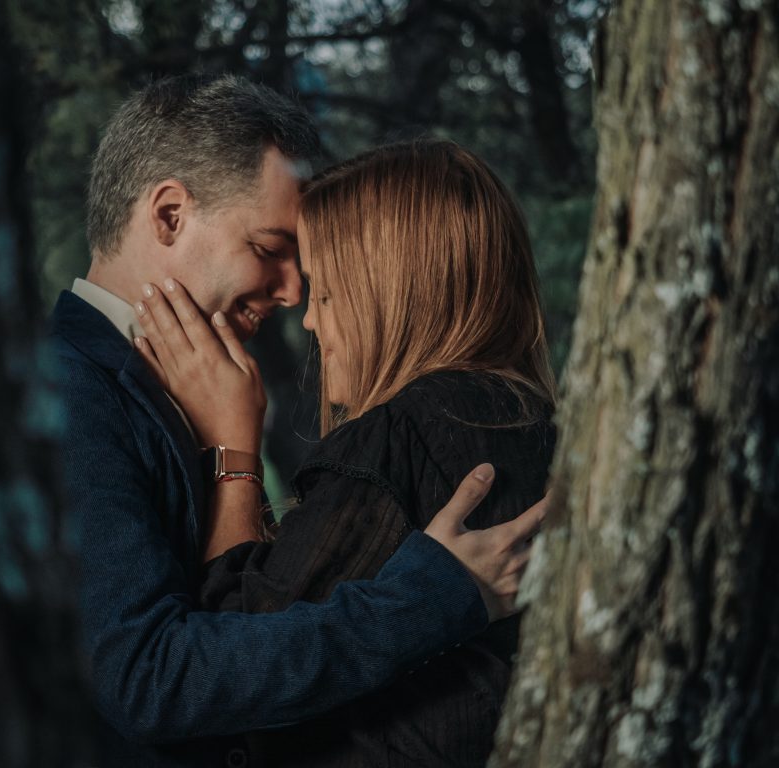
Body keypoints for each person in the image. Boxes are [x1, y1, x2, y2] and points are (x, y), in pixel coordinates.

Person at [51, 74, 545, 767]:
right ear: (168, 215)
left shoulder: (191, 387)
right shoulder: (68, 390)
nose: (293, 292)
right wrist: (433, 598)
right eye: (268, 248)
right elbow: (144, 678)